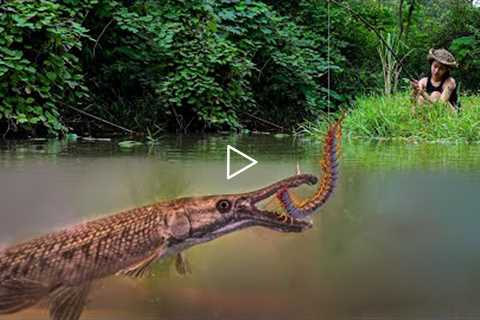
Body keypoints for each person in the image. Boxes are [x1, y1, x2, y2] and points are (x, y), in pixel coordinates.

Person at [411, 48, 458, 112]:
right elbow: (413, 102)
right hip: (431, 111)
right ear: (431, 64)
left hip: (450, 113)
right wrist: (415, 91)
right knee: (420, 98)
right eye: (435, 66)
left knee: (435, 95)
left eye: (441, 69)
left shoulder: (450, 82)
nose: (436, 71)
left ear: (446, 70)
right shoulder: (423, 81)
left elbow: (440, 105)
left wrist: (423, 93)